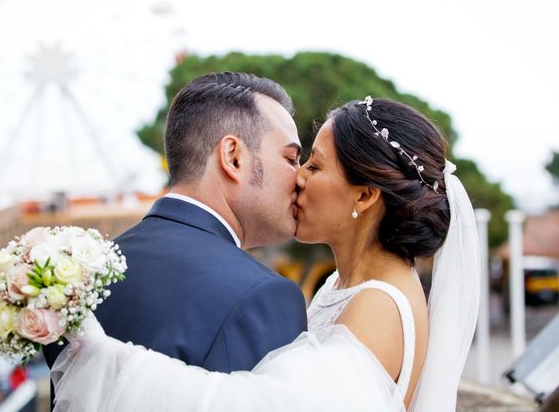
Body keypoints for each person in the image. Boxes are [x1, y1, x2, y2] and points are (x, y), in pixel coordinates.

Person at [52, 96, 480, 411]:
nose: (298, 179)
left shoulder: (380, 304)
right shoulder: (346, 284)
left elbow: (262, 404)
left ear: (365, 196)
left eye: (313, 165)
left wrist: (105, 357)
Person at [45, 72, 308, 403]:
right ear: (234, 157)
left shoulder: (81, 276)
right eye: (290, 158)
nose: (300, 177)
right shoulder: (262, 296)